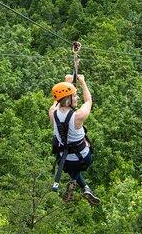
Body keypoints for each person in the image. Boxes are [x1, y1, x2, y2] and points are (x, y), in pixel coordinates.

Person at [49, 74, 99, 205]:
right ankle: (78, 184)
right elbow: (88, 101)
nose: (76, 97)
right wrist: (82, 82)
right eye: (74, 96)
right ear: (68, 99)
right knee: (81, 163)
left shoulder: (52, 112)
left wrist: (66, 83)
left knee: (73, 169)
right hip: (83, 158)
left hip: (64, 161)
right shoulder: (78, 116)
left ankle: (84, 187)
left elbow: (56, 102)